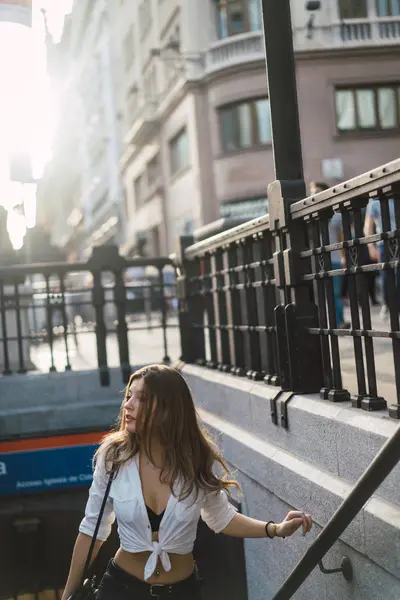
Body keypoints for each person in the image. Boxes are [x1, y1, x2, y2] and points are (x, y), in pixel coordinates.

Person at [62, 364, 313, 600]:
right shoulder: (114, 456)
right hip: (121, 589)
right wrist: (67, 596)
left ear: (168, 408)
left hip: (182, 592)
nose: (128, 405)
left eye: (142, 399)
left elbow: (222, 518)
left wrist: (275, 529)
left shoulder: (194, 459)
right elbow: (92, 530)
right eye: (129, 396)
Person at [310, 182, 350, 329]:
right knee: (319, 293)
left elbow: (341, 237)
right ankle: (323, 322)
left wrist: (344, 255)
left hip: (334, 258)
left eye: (318, 192)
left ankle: (338, 321)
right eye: (312, 192)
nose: (314, 195)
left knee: (335, 292)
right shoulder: (309, 216)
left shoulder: (336, 215)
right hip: (315, 259)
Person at [364, 197, 398, 321]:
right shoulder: (374, 202)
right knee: (386, 274)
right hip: (385, 242)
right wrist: (371, 246)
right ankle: (387, 303)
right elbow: (368, 225)